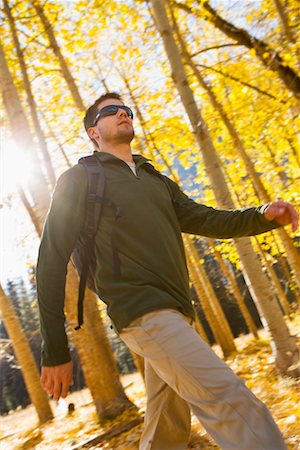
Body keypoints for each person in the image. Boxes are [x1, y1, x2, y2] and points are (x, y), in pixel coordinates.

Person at [37, 92, 298, 450]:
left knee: (168, 428)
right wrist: (54, 350)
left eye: (126, 110)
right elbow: (50, 261)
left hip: (176, 311)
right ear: (93, 131)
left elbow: (207, 218)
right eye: (111, 111)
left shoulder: (155, 179)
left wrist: (261, 215)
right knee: (232, 402)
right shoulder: (79, 179)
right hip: (141, 310)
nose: (123, 114)